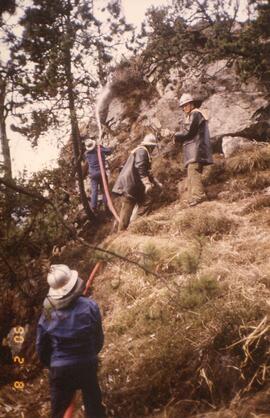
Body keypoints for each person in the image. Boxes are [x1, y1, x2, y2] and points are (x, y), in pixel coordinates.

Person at [36, 264, 106, 418]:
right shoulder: (90, 306)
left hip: (60, 369)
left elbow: (41, 348)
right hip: (87, 364)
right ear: (74, 283)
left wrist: (54, 364)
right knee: (94, 407)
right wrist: (88, 354)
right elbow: (98, 338)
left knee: (60, 412)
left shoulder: (47, 313)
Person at [112, 133, 162, 231]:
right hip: (131, 185)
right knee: (128, 206)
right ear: (150, 146)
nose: (153, 149)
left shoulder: (141, 151)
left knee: (141, 201)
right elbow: (140, 167)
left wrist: (156, 182)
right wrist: (147, 183)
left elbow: (146, 172)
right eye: (152, 147)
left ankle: (133, 226)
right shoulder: (142, 152)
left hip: (133, 184)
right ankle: (125, 230)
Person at [174, 93, 213, 206]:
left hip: (195, 151)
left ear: (191, 104)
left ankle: (199, 196)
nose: (184, 108)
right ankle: (193, 197)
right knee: (191, 173)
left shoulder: (195, 114)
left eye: (186, 105)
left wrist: (175, 135)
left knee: (193, 171)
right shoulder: (193, 115)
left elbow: (188, 132)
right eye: (183, 106)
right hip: (194, 151)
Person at [84, 138, 113, 215]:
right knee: (104, 189)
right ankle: (106, 205)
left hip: (93, 175)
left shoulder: (86, 154)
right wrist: (101, 146)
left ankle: (93, 206)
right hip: (101, 173)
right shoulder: (99, 149)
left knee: (94, 190)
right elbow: (109, 151)